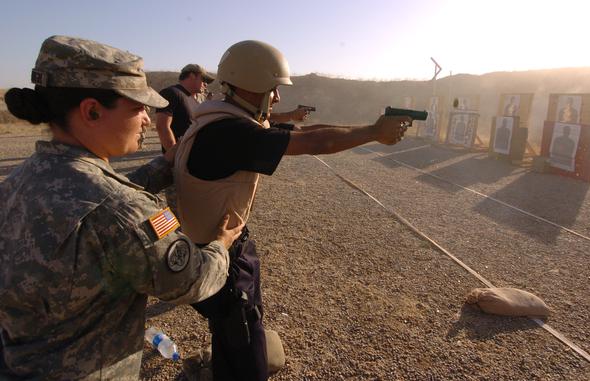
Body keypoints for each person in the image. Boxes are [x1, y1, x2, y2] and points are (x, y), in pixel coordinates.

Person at [0, 35, 244, 380]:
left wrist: (164, 164)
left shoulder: (20, 181)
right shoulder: (122, 210)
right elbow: (191, 281)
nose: (147, 119)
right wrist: (220, 246)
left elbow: (100, 200)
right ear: (92, 111)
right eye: (137, 107)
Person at [174, 40, 411, 381]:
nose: (277, 98)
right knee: (246, 349)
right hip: (219, 258)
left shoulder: (223, 118)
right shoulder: (231, 132)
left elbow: (301, 131)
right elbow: (315, 143)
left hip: (220, 246)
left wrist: (369, 128)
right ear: (251, 84)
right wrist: (374, 133)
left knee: (231, 334)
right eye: (272, 89)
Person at [155, 64, 215, 216]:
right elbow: (162, 126)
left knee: (194, 209)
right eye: (204, 79)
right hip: (179, 164)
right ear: (192, 75)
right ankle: (177, 239)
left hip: (193, 164)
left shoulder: (193, 99)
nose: (206, 84)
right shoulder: (171, 93)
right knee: (179, 212)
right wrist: (175, 158)